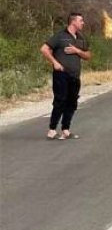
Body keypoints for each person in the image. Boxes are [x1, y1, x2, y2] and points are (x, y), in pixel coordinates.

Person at [40, 12, 92, 140]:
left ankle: (66, 130)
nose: (83, 23)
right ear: (73, 21)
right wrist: (55, 63)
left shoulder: (81, 38)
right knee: (60, 101)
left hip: (75, 76)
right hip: (61, 74)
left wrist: (77, 51)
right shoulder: (60, 36)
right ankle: (52, 130)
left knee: (72, 103)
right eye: (81, 20)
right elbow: (44, 49)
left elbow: (88, 55)